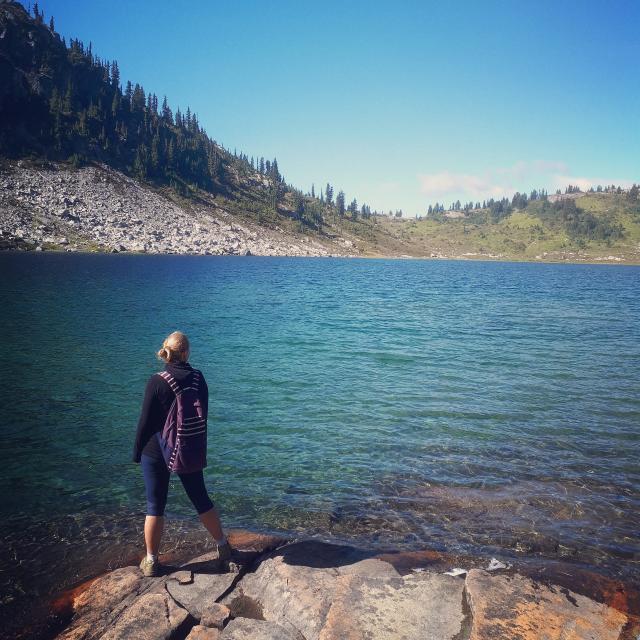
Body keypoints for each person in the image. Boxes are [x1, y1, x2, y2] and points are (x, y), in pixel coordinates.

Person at [133, 331, 231, 576]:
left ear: (166, 351)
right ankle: (223, 547)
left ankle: (151, 562)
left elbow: (145, 423)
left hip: (155, 450)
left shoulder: (157, 380)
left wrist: (136, 452)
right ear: (186, 352)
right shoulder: (198, 378)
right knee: (201, 498)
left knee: (155, 504)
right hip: (186, 448)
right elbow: (203, 414)